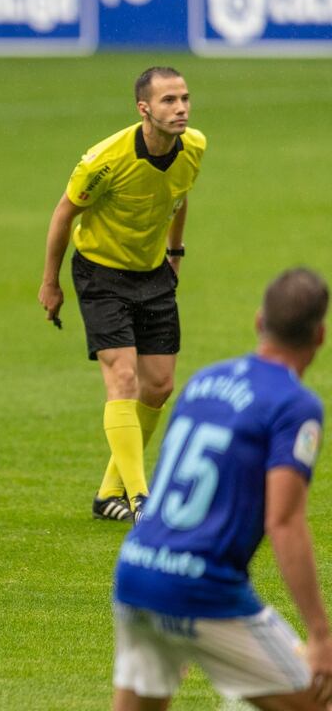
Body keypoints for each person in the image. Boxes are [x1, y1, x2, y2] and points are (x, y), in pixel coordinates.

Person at [112, 267, 331, 710]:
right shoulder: (295, 405)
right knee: (320, 697)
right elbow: (284, 521)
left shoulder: (204, 382)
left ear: (258, 321)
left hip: (137, 573)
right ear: (320, 336)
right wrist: (321, 635)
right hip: (201, 588)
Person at [38, 66, 206, 523]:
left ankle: (108, 494)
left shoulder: (194, 147)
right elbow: (63, 216)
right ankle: (142, 501)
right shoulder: (104, 161)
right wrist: (51, 282)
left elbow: (179, 193)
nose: (181, 108)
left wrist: (175, 252)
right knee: (123, 381)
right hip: (100, 275)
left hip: (152, 274)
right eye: (169, 100)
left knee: (158, 386)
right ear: (144, 108)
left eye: (185, 98)